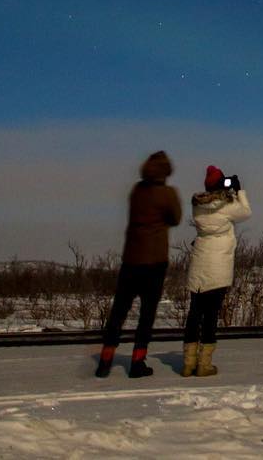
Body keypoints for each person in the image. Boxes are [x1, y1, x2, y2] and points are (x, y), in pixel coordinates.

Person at [95, 150, 182, 378]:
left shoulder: (136, 191)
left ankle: (105, 359)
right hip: (154, 262)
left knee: (119, 311)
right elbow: (176, 218)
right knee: (147, 314)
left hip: (131, 259)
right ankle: (137, 361)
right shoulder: (167, 193)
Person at [182, 165, 252, 377]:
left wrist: (223, 188)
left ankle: (188, 363)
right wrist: (238, 191)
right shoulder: (226, 205)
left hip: (199, 264)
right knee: (211, 315)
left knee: (194, 313)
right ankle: (204, 364)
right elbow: (246, 212)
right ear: (222, 184)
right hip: (218, 266)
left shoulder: (197, 206)